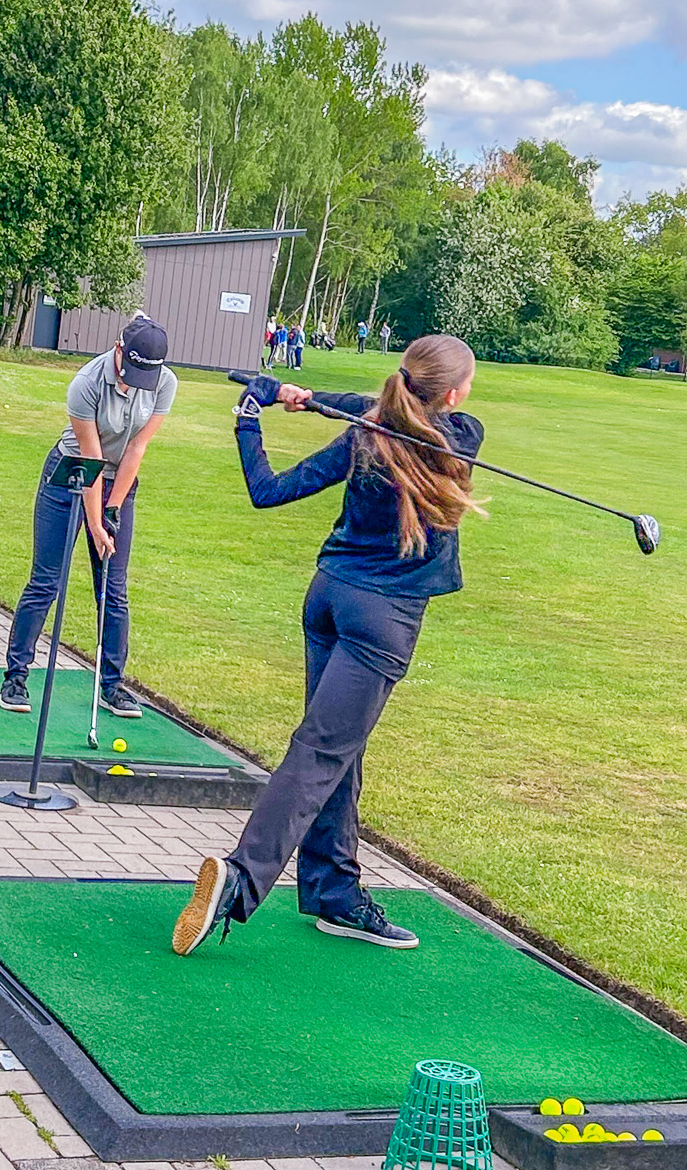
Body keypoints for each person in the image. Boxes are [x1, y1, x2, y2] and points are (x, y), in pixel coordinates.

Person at [172, 334, 484, 958]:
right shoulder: (462, 436)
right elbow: (383, 407)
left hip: (329, 598)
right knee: (321, 750)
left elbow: (268, 489)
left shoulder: (363, 438)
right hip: (383, 620)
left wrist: (252, 416)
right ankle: (239, 880)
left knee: (340, 748)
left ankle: (334, 892)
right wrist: (312, 397)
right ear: (451, 395)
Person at [0, 315, 176, 718]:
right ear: (119, 351)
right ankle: (15, 677)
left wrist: (113, 509)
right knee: (46, 581)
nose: (134, 384)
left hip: (119, 482)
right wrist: (95, 525)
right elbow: (91, 457)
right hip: (70, 475)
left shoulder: (165, 383)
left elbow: (136, 449)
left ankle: (112, 686)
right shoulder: (86, 383)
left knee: (113, 588)